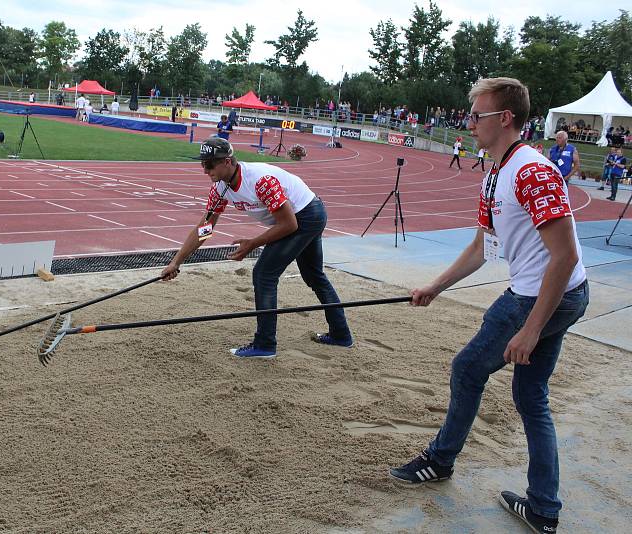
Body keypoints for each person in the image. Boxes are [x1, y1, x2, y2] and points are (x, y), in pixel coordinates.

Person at [389, 77, 588, 534]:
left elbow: (565, 255)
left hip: (543, 296)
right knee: (530, 396)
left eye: (477, 115)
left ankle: (439, 460)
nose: (469, 123)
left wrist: (533, 328)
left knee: (467, 369)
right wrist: (436, 286)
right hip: (553, 294)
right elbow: (485, 246)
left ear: (505, 118)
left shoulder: (532, 172)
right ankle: (543, 507)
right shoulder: (496, 171)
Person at [161, 137, 353, 358]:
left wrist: (253, 243)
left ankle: (264, 345)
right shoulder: (219, 188)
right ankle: (341, 335)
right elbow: (206, 228)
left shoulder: (261, 180)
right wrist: (176, 261)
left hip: (307, 216)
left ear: (228, 161)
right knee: (313, 275)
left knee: (264, 274)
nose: (205, 169)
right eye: (203, 164)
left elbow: (290, 225)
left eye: (210, 164)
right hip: (304, 216)